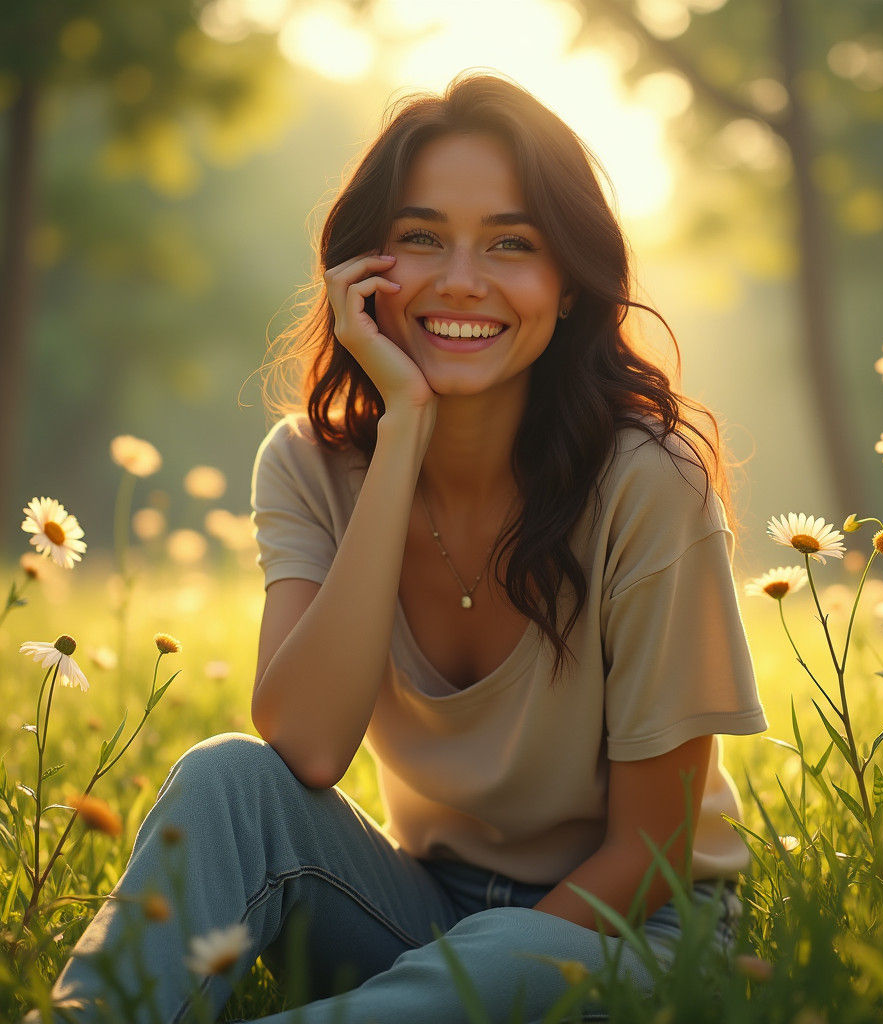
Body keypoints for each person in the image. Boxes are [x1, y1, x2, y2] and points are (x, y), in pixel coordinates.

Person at [26, 71, 768, 1024]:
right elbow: (305, 746)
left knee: (504, 961)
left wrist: (472, 968)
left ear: (569, 286)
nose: (461, 279)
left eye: (511, 243)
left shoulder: (648, 479)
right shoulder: (307, 464)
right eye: (421, 238)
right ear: (364, 270)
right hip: (420, 901)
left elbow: (653, 851)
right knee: (227, 775)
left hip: (627, 928)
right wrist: (405, 428)